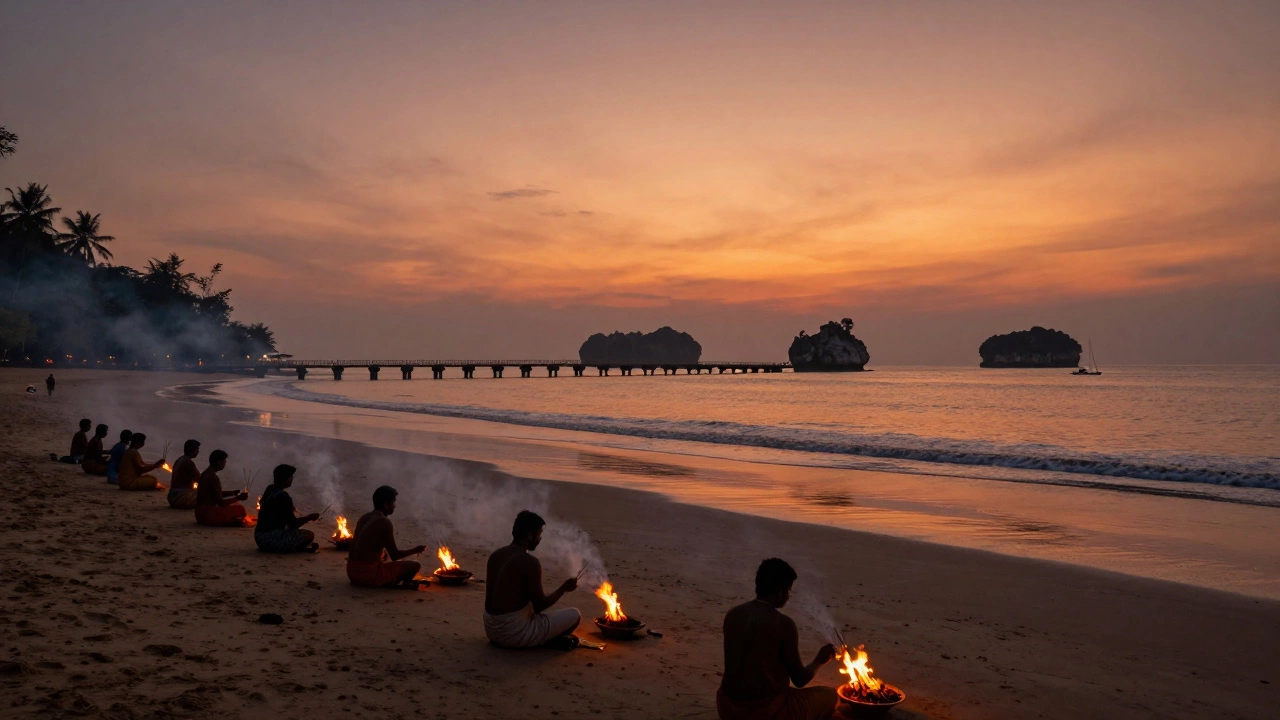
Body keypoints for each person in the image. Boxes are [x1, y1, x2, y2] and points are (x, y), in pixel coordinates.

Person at [716, 558, 838, 720]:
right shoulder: (784, 624)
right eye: (788, 591)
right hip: (764, 711)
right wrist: (820, 660)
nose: (788, 596)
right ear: (780, 592)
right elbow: (800, 679)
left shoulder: (733, 614)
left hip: (727, 707)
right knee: (830, 696)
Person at [483, 510, 581, 649]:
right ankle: (545, 643)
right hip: (513, 633)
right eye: (539, 534)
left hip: (491, 630)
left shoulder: (495, 555)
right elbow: (539, 606)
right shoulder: (530, 562)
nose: (540, 539)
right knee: (574, 615)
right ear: (530, 535)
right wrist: (564, 588)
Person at [346, 485, 426, 589]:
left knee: (384, 558)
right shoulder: (385, 522)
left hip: (351, 572)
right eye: (393, 502)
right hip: (366, 576)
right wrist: (415, 550)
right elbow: (395, 555)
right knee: (415, 565)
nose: (395, 506)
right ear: (385, 504)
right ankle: (404, 585)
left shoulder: (364, 517)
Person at [254, 464, 319, 553]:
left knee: (292, 531)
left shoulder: (270, 489)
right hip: (269, 540)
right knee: (309, 535)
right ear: (286, 478)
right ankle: (297, 548)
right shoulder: (283, 497)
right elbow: (293, 524)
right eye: (291, 476)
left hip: (259, 538)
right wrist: (309, 517)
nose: (292, 479)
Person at [194, 449, 250, 527]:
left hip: (199, 514)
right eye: (224, 461)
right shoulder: (213, 477)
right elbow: (220, 503)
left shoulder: (205, 474)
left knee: (235, 506)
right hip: (207, 515)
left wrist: (233, 493)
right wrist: (239, 498)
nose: (225, 463)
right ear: (219, 462)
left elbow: (215, 494)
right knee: (240, 509)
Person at [166, 440, 202, 509]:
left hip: (172, 496)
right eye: (197, 449)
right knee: (207, 495)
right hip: (180, 497)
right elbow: (200, 480)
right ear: (192, 450)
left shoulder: (179, 460)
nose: (198, 452)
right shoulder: (189, 462)